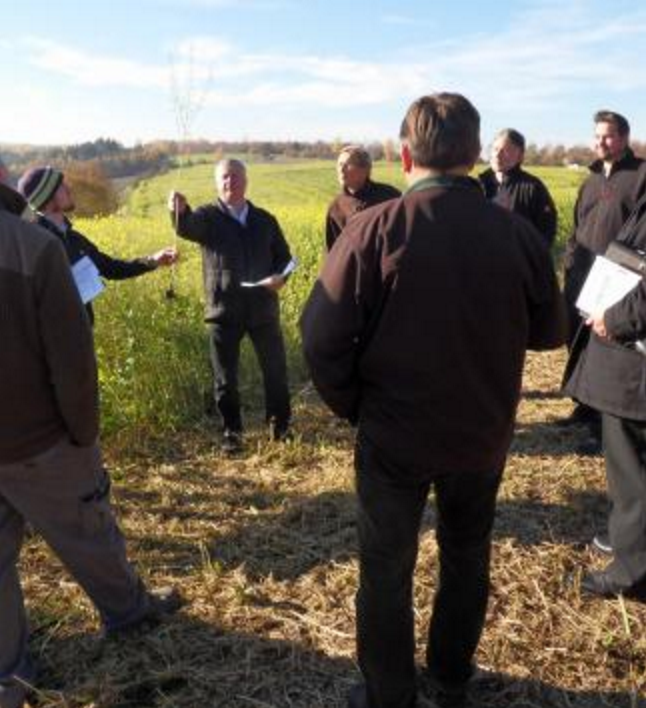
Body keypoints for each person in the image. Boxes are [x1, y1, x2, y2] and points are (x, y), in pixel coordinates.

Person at [301, 93, 565, 708]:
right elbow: (551, 332)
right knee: (467, 553)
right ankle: (449, 677)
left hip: (394, 437)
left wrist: (354, 405)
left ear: (403, 154)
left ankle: (390, 694)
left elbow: (320, 338)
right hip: (482, 434)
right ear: (475, 155)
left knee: (386, 570)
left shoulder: (374, 229)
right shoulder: (516, 235)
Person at [0, 181, 181, 708]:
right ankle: (128, 613)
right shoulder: (31, 248)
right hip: (41, 441)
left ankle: (10, 675)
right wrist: (82, 436)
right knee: (89, 528)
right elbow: (72, 363)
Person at [168, 158, 293, 454]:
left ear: (246, 180)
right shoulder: (207, 217)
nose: (230, 182)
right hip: (223, 310)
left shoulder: (265, 219)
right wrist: (178, 209)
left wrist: (281, 277)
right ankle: (232, 433)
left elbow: (285, 258)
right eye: (224, 177)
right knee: (225, 379)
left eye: (235, 177)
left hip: (263, 308)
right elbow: (185, 227)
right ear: (217, 183)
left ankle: (281, 428)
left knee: (275, 371)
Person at [564, 193, 646, 600]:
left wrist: (613, 317)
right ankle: (631, 543)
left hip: (636, 370)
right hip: (629, 362)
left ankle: (632, 573)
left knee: (632, 469)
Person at [559, 112, 646, 456]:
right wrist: (569, 261)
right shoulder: (592, 178)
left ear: (624, 138)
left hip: (618, 285)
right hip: (584, 277)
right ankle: (585, 407)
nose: (600, 142)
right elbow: (579, 225)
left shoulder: (640, 175)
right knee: (580, 342)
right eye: (597, 136)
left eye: (608, 136)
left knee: (607, 351)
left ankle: (602, 427)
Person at [17, 166, 178, 322]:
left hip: (81, 338)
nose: (68, 189)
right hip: (55, 344)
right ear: (48, 198)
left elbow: (110, 268)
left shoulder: (74, 239)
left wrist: (153, 260)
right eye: (61, 186)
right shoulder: (36, 245)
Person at [478, 128, 557, 248]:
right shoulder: (479, 184)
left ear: (520, 156)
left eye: (506, 151)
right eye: (495, 149)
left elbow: (546, 231)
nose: (497, 155)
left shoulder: (532, 187)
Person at [325, 145, 400, 251]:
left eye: (348, 164)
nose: (341, 170)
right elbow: (332, 250)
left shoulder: (389, 196)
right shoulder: (336, 207)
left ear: (365, 169)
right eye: (339, 165)